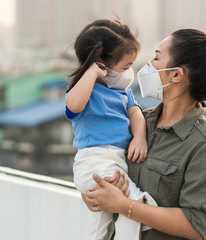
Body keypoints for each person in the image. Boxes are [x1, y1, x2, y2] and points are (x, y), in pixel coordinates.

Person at [82, 29, 206, 240]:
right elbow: (102, 161)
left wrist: (125, 206)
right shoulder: (136, 122)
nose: (149, 64)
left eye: (157, 57)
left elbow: (196, 226)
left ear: (176, 74)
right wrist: (96, 195)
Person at [65, 19, 157, 240]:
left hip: (112, 160)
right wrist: (91, 74)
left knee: (100, 225)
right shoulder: (86, 90)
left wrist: (139, 138)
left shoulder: (122, 92)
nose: (129, 73)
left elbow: (135, 112)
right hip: (96, 161)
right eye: (126, 67)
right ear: (101, 65)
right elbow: (73, 105)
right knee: (133, 203)